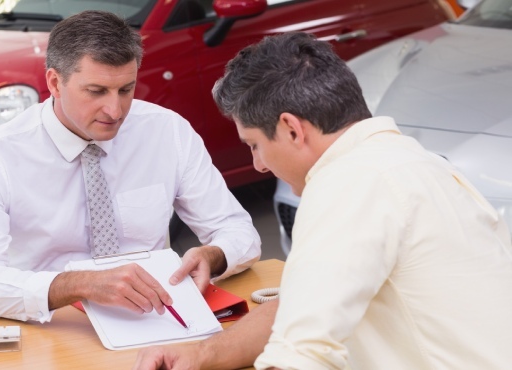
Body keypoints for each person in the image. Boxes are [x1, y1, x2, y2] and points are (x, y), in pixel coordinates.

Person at [134, 32, 512, 369]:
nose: (258, 165)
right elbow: (304, 304)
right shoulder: (416, 163)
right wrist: (203, 355)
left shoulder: (347, 185)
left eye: (255, 145)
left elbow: (300, 356)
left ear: (291, 129)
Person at [0, 10, 261, 323]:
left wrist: (213, 255)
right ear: (55, 83)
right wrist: (81, 284)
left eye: (126, 89)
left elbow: (240, 233)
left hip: (153, 318)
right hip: (55, 327)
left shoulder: (167, 131)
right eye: (97, 91)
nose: (115, 111)